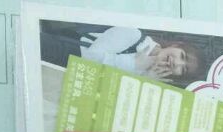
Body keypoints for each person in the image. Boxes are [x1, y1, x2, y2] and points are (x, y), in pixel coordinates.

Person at [39, 21, 207, 85]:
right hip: (60, 54)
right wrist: (134, 64)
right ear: (176, 45)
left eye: (183, 69)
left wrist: (143, 81)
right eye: (182, 56)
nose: (176, 63)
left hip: (62, 83)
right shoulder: (133, 35)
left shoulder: (150, 79)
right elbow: (89, 59)